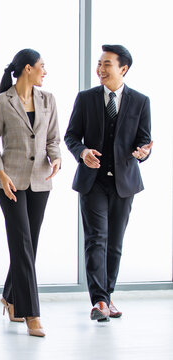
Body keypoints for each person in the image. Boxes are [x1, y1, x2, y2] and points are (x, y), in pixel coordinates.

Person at [64, 45, 153, 322]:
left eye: (107, 65)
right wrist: (82, 152)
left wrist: (143, 152)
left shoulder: (140, 101)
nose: (100, 70)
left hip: (124, 183)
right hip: (93, 183)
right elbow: (71, 136)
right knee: (96, 240)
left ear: (122, 69)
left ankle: (108, 295)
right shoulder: (86, 98)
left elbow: (144, 140)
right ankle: (100, 301)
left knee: (114, 243)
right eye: (99, 64)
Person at [0, 49, 61, 337]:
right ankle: (32, 314)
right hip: (10, 183)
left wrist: (57, 159)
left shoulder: (48, 100)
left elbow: (53, 139)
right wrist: (0, 174)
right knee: (21, 244)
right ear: (27, 68)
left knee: (29, 245)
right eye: (42, 66)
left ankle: (11, 297)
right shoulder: (2, 102)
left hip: (41, 181)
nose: (45, 71)